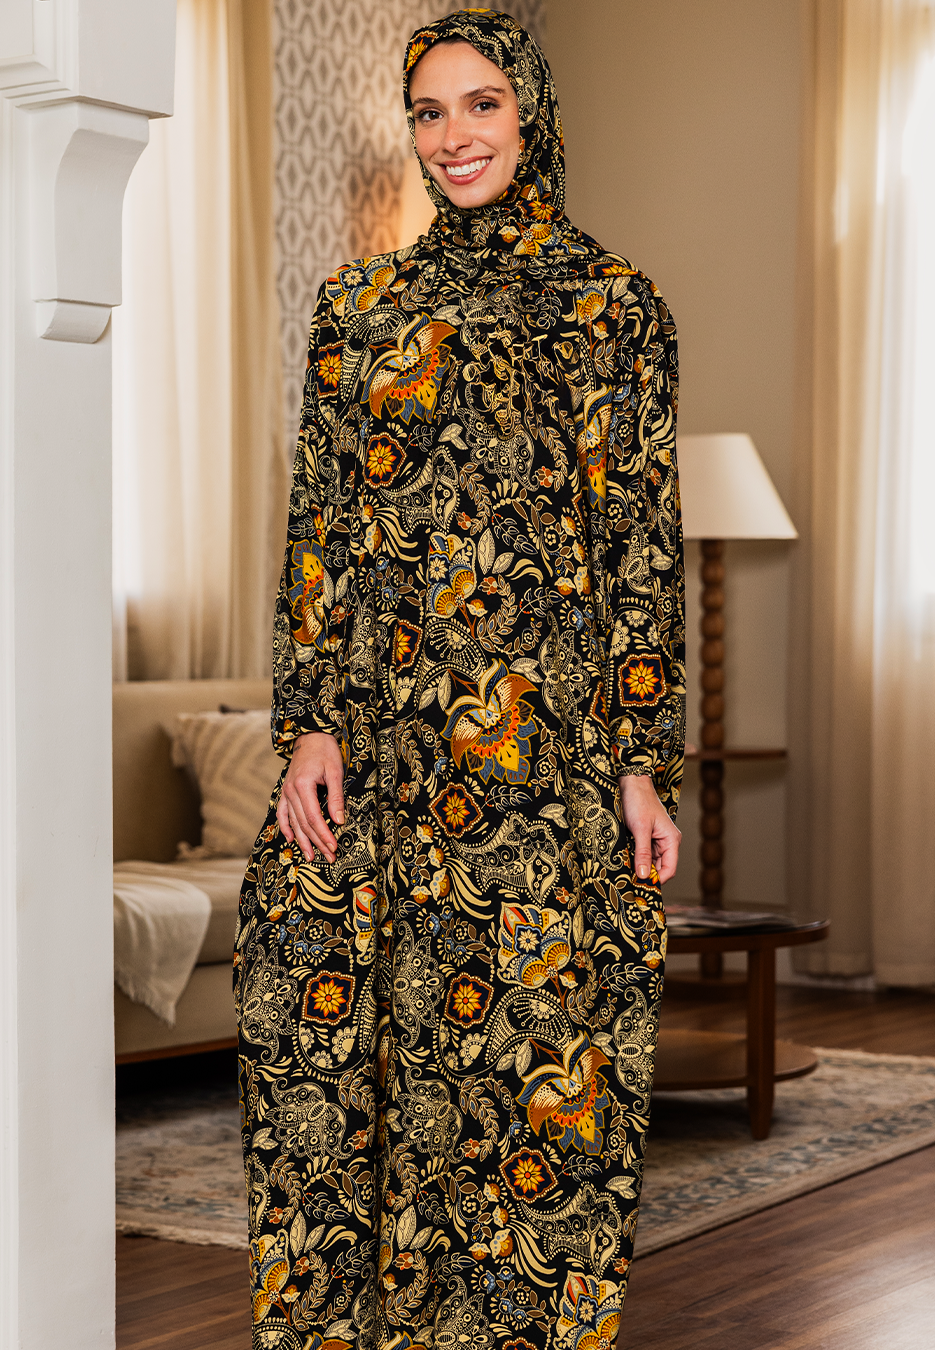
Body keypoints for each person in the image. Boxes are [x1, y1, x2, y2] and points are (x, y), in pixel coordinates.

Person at [235, 11, 684, 1348]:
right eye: (429, 112)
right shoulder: (358, 311)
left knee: (537, 1061)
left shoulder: (616, 308)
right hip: (381, 744)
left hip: (541, 756)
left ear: (531, 111)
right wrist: (308, 725)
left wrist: (641, 761)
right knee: (350, 1037)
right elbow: (321, 530)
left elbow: (639, 546)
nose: (453, 136)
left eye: (480, 103)